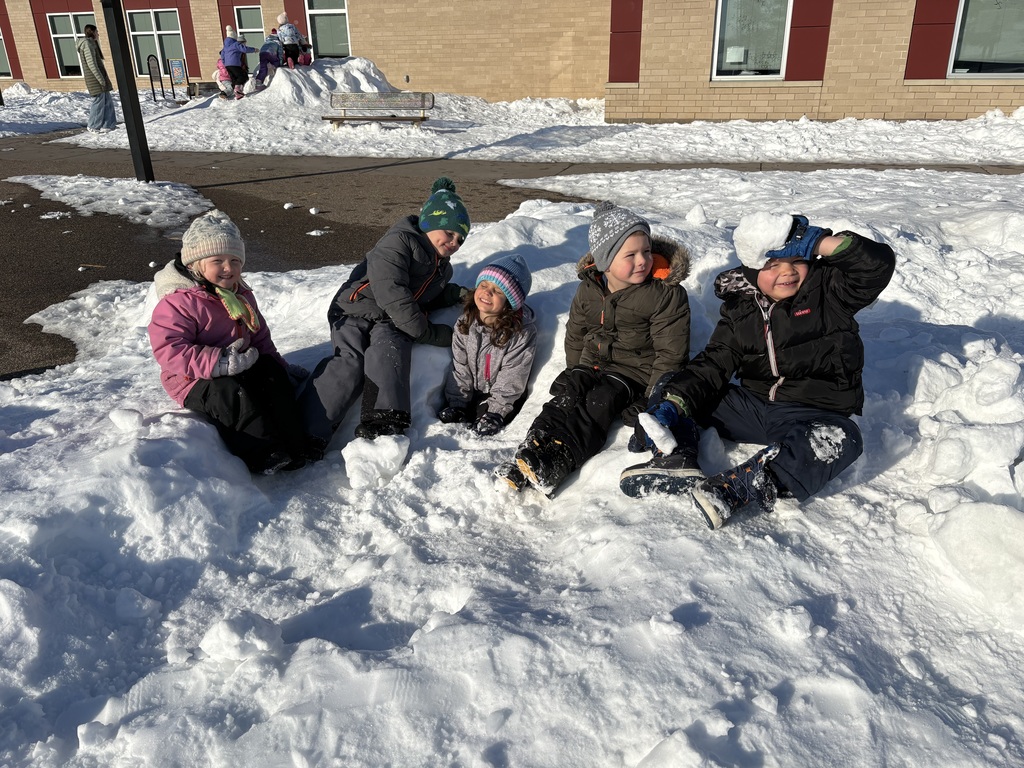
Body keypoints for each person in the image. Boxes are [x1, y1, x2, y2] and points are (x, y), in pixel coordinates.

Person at [620, 212, 897, 530]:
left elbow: (876, 267)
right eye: (772, 264)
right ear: (751, 268)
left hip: (815, 412)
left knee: (843, 438)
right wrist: (673, 405)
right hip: (754, 407)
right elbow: (714, 363)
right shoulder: (741, 310)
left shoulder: (830, 290)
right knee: (677, 384)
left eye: (796, 259)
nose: (787, 272)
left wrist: (820, 241)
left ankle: (740, 486)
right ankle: (674, 456)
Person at [498, 201, 691, 495]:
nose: (643, 261)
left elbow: (671, 353)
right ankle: (532, 450)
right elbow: (577, 331)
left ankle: (560, 459)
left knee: (598, 404)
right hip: (591, 363)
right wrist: (574, 369)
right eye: (631, 255)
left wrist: (652, 400)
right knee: (565, 397)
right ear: (605, 262)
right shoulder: (589, 288)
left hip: (632, 374)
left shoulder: (664, 295)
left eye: (647, 251)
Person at [299, 177, 471, 443]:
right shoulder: (399, 241)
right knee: (351, 361)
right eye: (449, 233)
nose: (454, 242)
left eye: (461, 239)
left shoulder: (442, 268)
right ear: (430, 223)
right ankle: (306, 430)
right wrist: (426, 333)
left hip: (389, 319)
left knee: (391, 346)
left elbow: (424, 297)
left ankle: (385, 418)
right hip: (354, 309)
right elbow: (392, 291)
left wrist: (453, 294)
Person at [148, 210, 317, 474]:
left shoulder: (241, 295)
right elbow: (169, 349)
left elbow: (259, 336)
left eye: (235, 260)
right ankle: (263, 452)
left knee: (271, 378)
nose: (229, 268)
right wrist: (218, 363)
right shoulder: (179, 301)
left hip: (241, 363)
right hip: (193, 378)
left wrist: (278, 365)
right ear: (195, 265)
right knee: (229, 393)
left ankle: (296, 443)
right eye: (218, 260)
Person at [438, 253, 537, 436]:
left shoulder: (520, 334)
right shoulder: (465, 323)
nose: (487, 292)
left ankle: (489, 412)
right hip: (474, 392)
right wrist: (457, 402)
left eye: (498, 291)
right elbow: (460, 367)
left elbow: (513, 376)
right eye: (484, 285)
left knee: (483, 421)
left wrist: (496, 411)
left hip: (504, 398)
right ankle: (463, 407)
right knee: (459, 415)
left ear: (509, 302)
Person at [76, 24, 116, 133]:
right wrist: (100, 79)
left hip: (100, 77)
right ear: (92, 32)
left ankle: (108, 125)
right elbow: (92, 65)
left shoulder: (92, 44)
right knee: (98, 101)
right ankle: (93, 125)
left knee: (107, 100)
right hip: (94, 79)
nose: (98, 34)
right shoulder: (87, 45)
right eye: (97, 32)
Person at [221, 31, 255, 99]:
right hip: (234, 64)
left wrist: (225, 63)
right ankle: (237, 90)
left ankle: (237, 93)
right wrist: (254, 49)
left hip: (228, 66)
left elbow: (222, 56)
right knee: (242, 77)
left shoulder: (226, 47)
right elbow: (244, 49)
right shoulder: (236, 44)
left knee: (234, 79)